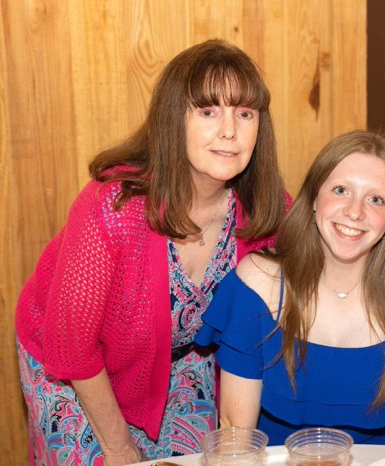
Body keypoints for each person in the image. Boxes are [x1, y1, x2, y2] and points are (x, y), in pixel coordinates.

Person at [15, 39, 289, 466]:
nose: (230, 131)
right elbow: (73, 344)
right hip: (70, 364)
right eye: (208, 111)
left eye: (244, 113)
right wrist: (118, 446)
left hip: (182, 360)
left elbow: (330, 251)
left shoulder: (267, 209)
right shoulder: (114, 206)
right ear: (172, 119)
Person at [195, 130, 385, 446]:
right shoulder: (258, 284)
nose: (355, 212)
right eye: (341, 190)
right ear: (315, 198)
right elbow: (237, 434)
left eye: (376, 199)